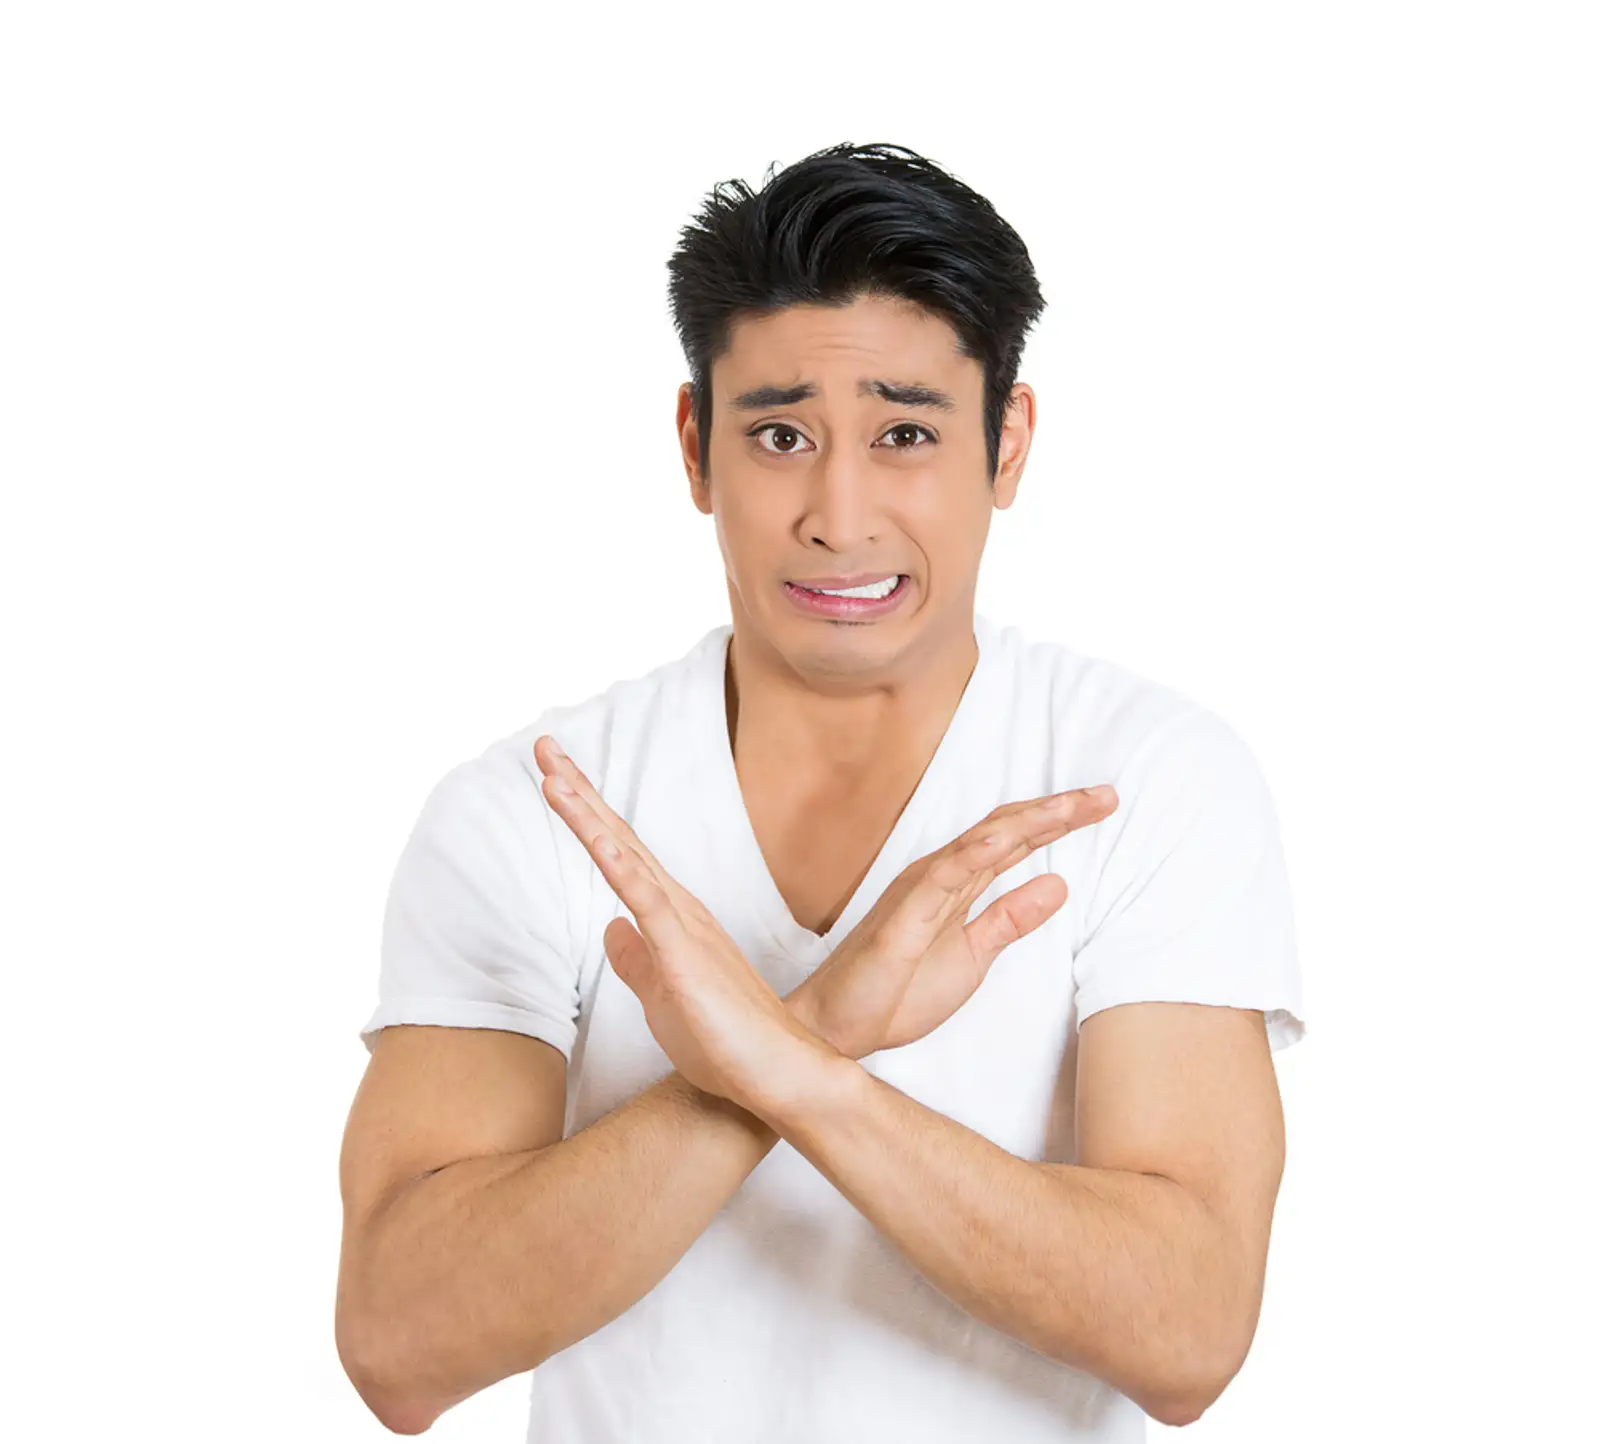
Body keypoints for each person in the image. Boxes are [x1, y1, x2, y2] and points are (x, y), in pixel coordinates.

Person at [335, 141, 1306, 1442]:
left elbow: (1186, 1334)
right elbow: (402, 1344)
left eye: (905, 433)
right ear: (696, 449)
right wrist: (822, 1030)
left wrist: (801, 1067)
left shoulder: (1148, 782)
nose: (839, 516)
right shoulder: (534, 808)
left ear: (1004, 444)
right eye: (781, 434)